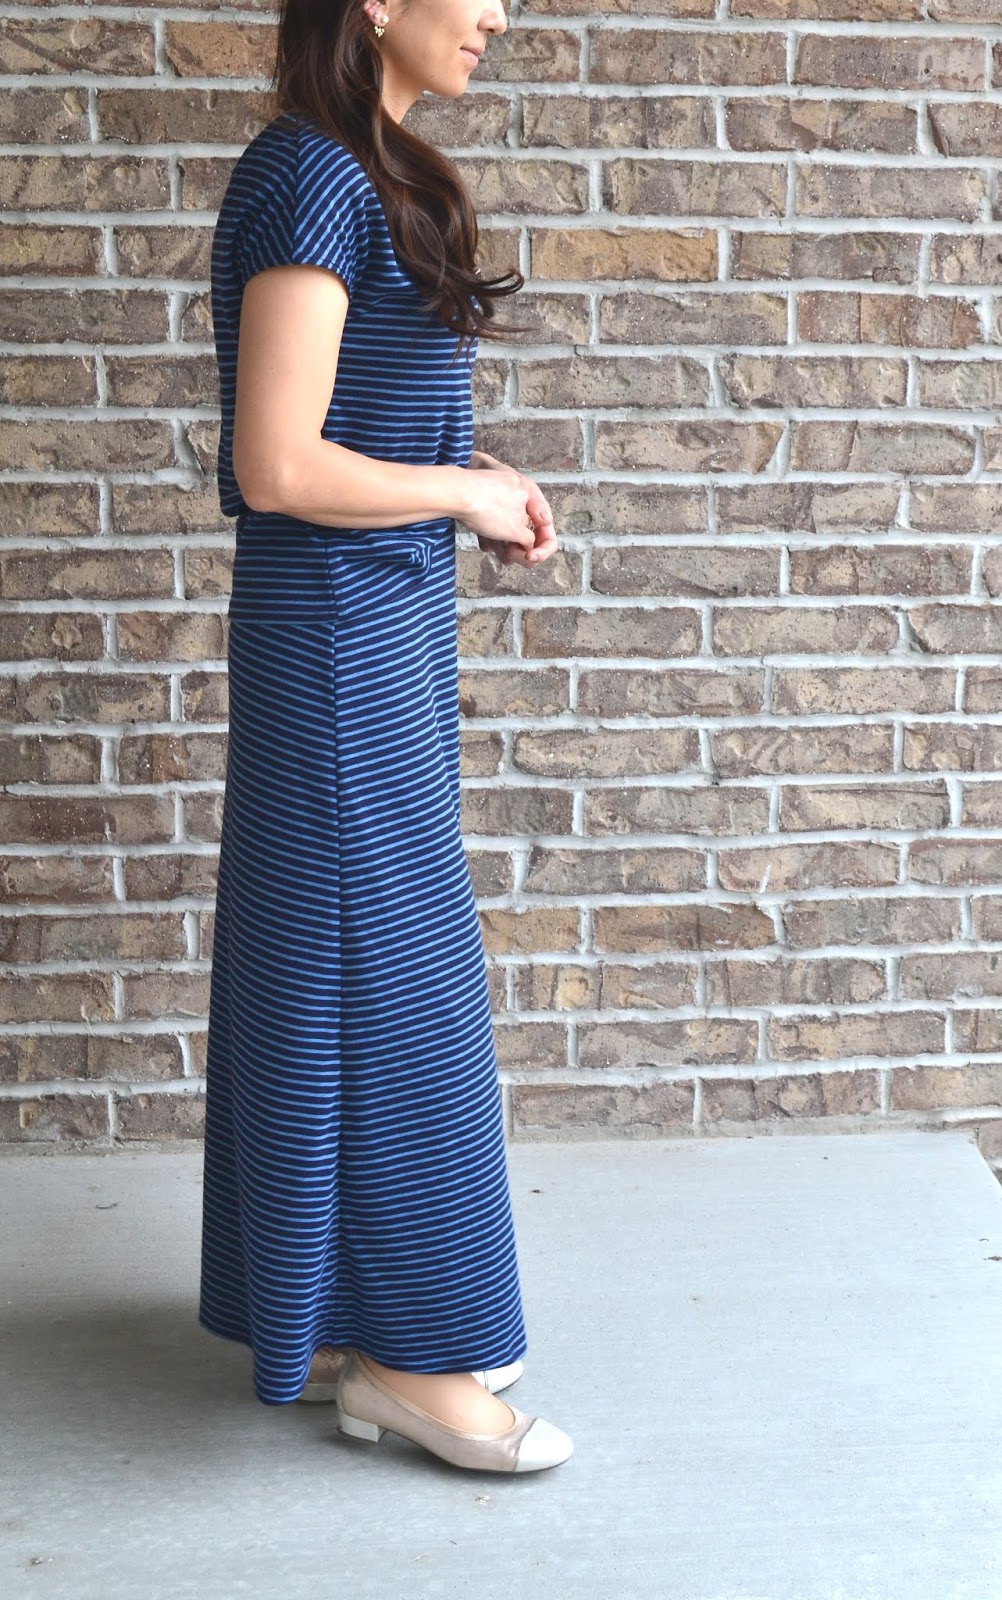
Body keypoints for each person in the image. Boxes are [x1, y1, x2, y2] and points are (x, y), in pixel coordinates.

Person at [197, 0, 573, 1475]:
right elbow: (276, 462)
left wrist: (474, 472)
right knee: (394, 977)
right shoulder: (310, 170)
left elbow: (351, 420)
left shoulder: (370, 165)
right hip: (335, 638)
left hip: (374, 627)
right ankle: (415, 1360)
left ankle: (328, 1321)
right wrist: (461, 496)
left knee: (328, 963)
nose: (495, 13)